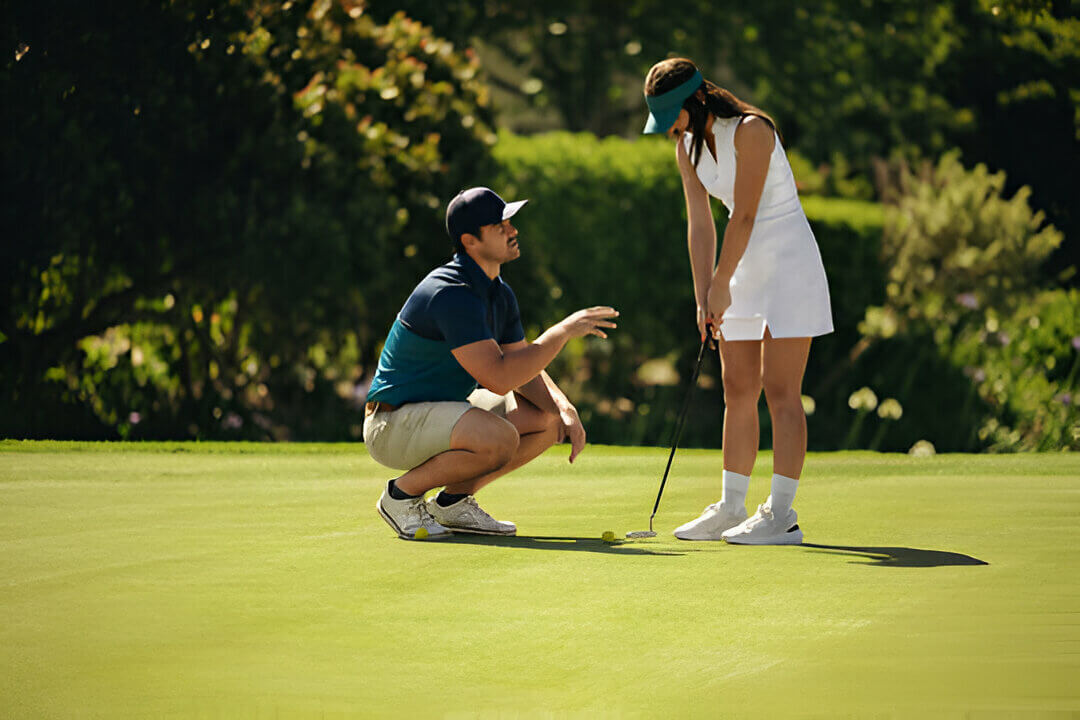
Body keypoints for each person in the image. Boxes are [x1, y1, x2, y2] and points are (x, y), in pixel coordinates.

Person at [642, 58, 834, 545]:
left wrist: (722, 280)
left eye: (673, 116)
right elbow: (700, 223)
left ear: (696, 99)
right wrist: (702, 295)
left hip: (787, 262)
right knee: (737, 387)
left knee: (781, 390)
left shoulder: (752, 130)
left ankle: (782, 515)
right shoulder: (686, 148)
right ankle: (731, 507)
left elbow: (745, 214)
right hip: (739, 264)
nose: (670, 129)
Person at [364, 186, 619, 540]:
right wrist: (561, 332)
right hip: (391, 425)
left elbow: (520, 367)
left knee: (547, 420)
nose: (513, 231)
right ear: (470, 241)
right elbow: (499, 378)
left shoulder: (498, 292)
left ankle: (453, 502)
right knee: (500, 438)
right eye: (500, 226)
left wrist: (564, 408)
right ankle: (400, 495)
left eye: (509, 223)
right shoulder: (451, 292)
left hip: (439, 413)